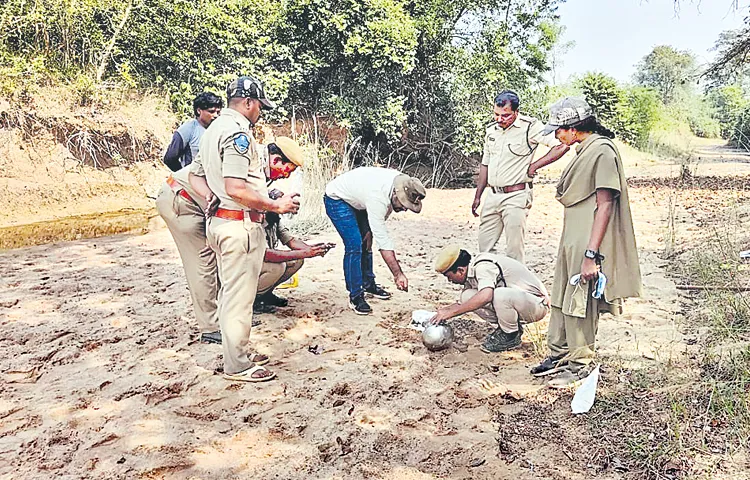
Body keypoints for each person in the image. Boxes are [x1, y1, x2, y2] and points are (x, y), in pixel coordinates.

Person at [190, 75, 299, 383]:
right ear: (249, 103)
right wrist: (275, 206)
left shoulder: (212, 130)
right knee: (239, 300)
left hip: (221, 222)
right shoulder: (238, 135)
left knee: (230, 295)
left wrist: (211, 196)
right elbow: (237, 187)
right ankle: (237, 365)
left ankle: (236, 352)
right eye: (259, 106)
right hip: (239, 226)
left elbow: (195, 175)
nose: (260, 112)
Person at [532, 97, 642, 388]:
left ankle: (579, 362)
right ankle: (559, 354)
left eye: (559, 130)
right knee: (561, 296)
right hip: (572, 237)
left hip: (587, 239)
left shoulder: (602, 151)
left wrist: (591, 254)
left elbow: (605, 204)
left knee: (580, 302)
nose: (557, 135)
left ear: (575, 127)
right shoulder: (583, 151)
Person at [473, 90, 570, 264]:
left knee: (514, 250)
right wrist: (478, 196)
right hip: (492, 196)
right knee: (485, 248)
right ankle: (491, 285)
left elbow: (562, 146)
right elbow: (485, 164)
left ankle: (516, 289)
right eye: (496, 114)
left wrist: (535, 165)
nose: (500, 119)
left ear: (516, 112)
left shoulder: (530, 127)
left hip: (516, 196)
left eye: (505, 115)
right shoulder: (491, 131)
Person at [324, 167, 426, 315]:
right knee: (355, 245)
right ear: (397, 196)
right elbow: (384, 242)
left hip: (359, 200)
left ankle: (368, 284)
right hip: (337, 198)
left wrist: (368, 232)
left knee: (367, 241)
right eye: (405, 205)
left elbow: (375, 230)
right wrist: (398, 274)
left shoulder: (397, 188)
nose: (405, 209)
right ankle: (356, 296)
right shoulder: (379, 198)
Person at [253, 137, 333, 312]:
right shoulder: (255, 217)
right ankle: (252, 301)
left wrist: (313, 249)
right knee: (278, 267)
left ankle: (265, 295)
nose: (285, 176)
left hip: (257, 262)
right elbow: (266, 255)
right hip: (245, 264)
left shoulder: (273, 217)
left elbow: (291, 240)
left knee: (297, 260)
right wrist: (305, 252)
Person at [431, 245, 550, 353]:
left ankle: (511, 335)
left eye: (449, 277)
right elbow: (467, 302)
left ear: (461, 270)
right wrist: (446, 311)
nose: (450, 281)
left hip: (537, 305)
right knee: (466, 296)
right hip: (519, 302)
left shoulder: (483, 266)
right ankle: (506, 328)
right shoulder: (470, 272)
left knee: (499, 294)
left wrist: (453, 312)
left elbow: (486, 295)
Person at [163, 92, 223, 171]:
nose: (215, 115)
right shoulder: (188, 129)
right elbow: (170, 158)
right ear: (199, 111)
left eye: (218, 112)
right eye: (211, 112)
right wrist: (184, 176)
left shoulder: (220, 129)